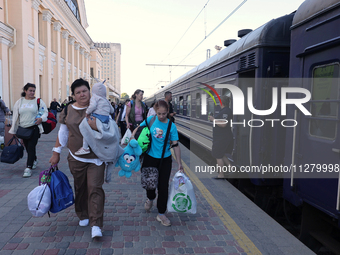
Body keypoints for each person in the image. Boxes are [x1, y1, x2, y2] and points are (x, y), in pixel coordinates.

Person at [49, 78, 106, 238]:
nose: (82, 95)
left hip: (97, 157)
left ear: (90, 91)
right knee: (80, 188)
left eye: (84, 91)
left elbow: (110, 128)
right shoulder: (68, 110)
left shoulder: (99, 106)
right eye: (78, 92)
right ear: (73, 95)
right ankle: (83, 214)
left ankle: (96, 224)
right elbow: (63, 132)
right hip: (76, 157)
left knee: (95, 188)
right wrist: (56, 152)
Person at [132, 99, 183, 226]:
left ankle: (161, 213)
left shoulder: (172, 126)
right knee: (150, 185)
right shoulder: (151, 120)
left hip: (165, 159)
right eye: (159, 113)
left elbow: (176, 145)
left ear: (168, 112)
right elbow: (139, 129)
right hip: (150, 157)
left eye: (164, 114)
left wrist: (180, 163)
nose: (161, 116)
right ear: (155, 111)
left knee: (163, 186)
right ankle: (150, 198)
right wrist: (132, 139)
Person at [9, 83, 48, 177]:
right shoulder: (20, 102)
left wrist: (41, 119)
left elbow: (45, 112)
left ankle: (28, 167)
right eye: (30, 90)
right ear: (25, 91)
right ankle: (34, 159)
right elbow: (15, 116)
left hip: (34, 128)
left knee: (31, 147)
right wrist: (13, 130)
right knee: (27, 147)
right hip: (23, 128)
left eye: (34, 91)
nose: (32, 92)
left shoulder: (38, 101)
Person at [74, 81, 114, 155]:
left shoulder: (95, 97)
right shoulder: (105, 99)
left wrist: (87, 112)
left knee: (84, 127)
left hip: (97, 117)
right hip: (106, 119)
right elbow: (112, 110)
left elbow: (92, 106)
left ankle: (85, 147)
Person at [208, 96, 233, 179]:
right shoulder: (224, 111)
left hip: (222, 138)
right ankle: (231, 168)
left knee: (218, 156)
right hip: (221, 137)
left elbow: (223, 124)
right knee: (221, 154)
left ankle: (221, 175)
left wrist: (213, 119)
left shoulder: (226, 111)